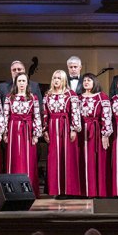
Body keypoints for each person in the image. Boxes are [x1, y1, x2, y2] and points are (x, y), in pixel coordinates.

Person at [2, 72, 43, 197]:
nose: (21, 83)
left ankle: (29, 189)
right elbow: (5, 116)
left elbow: (37, 116)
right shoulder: (10, 97)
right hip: (13, 128)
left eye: (23, 81)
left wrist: (36, 134)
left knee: (28, 158)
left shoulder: (33, 98)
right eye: (19, 81)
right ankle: (13, 190)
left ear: (27, 83)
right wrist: (5, 133)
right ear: (16, 83)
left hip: (28, 129)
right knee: (13, 158)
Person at [42, 69, 81, 197]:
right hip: (53, 127)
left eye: (59, 78)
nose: (56, 80)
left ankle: (68, 190)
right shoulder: (48, 95)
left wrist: (73, 129)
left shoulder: (71, 94)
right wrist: (45, 130)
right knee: (54, 158)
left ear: (64, 80)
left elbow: (75, 113)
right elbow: (45, 114)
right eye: (54, 78)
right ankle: (55, 189)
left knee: (67, 157)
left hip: (66, 126)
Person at [77, 73, 112, 197]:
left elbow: (107, 116)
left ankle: (97, 190)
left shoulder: (102, 97)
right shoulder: (78, 98)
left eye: (89, 80)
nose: (86, 82)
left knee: (96, 160)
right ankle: (83, 191)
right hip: (81, 132)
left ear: (94, 82)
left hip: (96, 131)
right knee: (81, 159)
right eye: (84, 80)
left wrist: (105, 134)